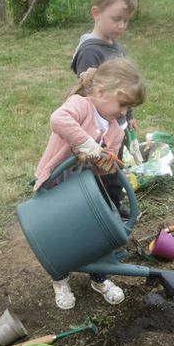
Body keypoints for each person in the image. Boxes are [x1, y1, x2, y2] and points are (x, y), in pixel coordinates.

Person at [35, 58, 146, 310]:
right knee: (58, 234)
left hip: (85, 193)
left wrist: (105, 163)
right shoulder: (80, 106)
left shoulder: (116, 131)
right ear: (101, 92)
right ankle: (60, 279)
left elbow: (101, 167)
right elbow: (58, 119)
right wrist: (87, 145)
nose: (124, 112)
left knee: (93, 233)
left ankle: (99, 277)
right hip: (56, 184)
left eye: (129, 107)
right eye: (123, 104)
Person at [71, 0, 138, 218]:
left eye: (126, 21)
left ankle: (114, 203)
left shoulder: (115, 48)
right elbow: (88, 92)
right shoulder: (91, 51)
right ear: (96, 13)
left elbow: (125, 87)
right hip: (97, 129)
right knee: (99, 169)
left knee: (115, 165)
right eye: (117, 19)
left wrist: (128, 115)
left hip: (114, 124)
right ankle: (97, 208)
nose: (121, 26)